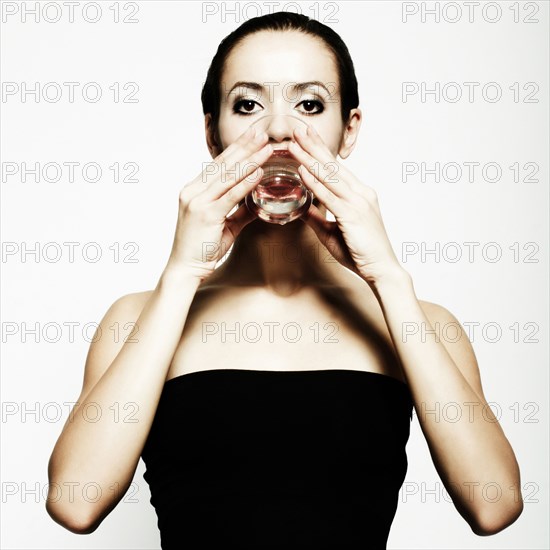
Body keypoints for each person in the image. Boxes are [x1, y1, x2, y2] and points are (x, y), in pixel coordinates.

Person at [46, 11, 523, 548]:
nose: (278, 130)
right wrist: (182, 272)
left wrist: (386, 276)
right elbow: (75, 502)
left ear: (350, 129)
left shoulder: (420, 322)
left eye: (310, 105)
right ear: (212, 132)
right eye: (248, 104)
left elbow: (494, 505)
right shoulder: (140, 317)